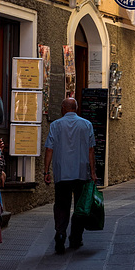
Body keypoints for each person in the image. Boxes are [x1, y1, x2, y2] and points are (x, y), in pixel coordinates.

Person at [44, 97, 97, 254]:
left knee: (61, 205)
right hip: (81, 173)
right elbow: (91, 150)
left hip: (62, 173)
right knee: (80, 207)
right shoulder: (87, 125)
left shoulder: (55, 125)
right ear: (77, 108)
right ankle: (75, 237)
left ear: (63, 108)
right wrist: (93, 173)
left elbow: (49, 149)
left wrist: (46, 171)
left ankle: (60, 234)